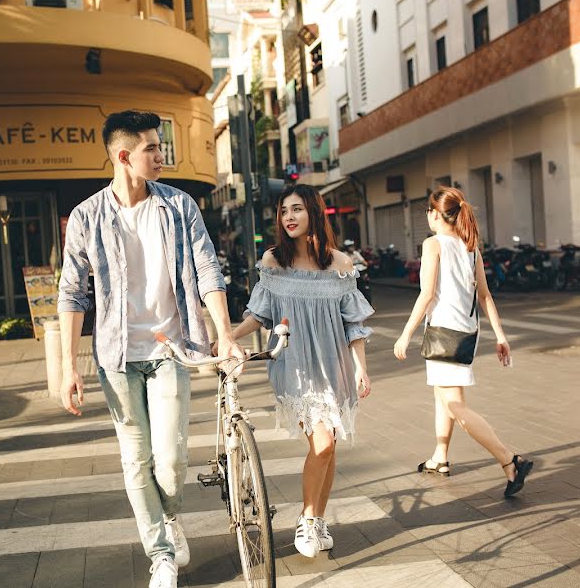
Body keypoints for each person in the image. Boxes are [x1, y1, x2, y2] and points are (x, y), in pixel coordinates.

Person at [57, 110, 245, 588]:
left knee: (171, 458)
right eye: (152, 149)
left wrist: (222, 333)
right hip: (117, 357)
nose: (161, 156)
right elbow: (72, 294)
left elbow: (207, 271)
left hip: (170, 350)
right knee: (135, 459)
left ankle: (171, 515)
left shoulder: (179, 206)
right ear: (124, 156)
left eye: (160, 147)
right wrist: (67, 368)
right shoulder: (87, 216)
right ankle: (160, 553)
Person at [228, 184, 373, 558]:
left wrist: (361, 369)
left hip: (335, 365)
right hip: (296, 366)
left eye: (296, 209)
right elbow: (259, 314)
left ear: (313, 212)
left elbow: (353, 324)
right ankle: (308, 520)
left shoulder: (340, 264)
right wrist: (228, 336)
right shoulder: (275, 261)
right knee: (322, 442)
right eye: (283, 211)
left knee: (329, 445)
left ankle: (318, 521)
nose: (288, 217)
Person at [393, 186, 533, 499]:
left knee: (455, 404)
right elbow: (484, 295)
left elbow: (426, 294)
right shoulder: (470, 248)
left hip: (444, 333)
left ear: (433, 214)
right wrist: (500, 335)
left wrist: (405, 333)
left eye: (427, 212)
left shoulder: (433, 245)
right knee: (444, 397)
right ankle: (440, 457)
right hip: (465, 333)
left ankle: (510, 461)